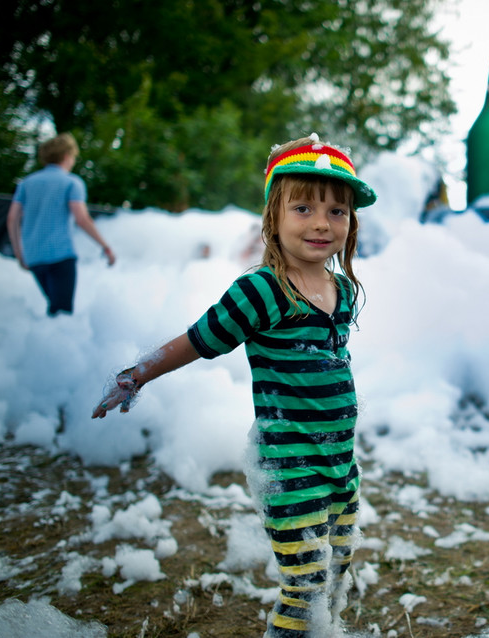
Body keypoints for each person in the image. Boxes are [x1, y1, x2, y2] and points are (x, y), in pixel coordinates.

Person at [91, 133, 377, 637]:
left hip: (339, 463)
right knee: (304, 584)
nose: (320, 223)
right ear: (273, 216)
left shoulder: (343, 289)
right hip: (290, 466)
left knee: (336, 569)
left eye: (337, 211)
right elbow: (198, 340)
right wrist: (136, 375)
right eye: (303, 207)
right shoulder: (263, 290)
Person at [6, 133, 116, 316]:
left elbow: (12, 219)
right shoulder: (71, 183)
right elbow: (81, 219)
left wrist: (19, 254)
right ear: (66, 156)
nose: (73, 160)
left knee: (54, 309)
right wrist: (106, 247)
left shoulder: (26, 183)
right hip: (60, 256)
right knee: (62, 314)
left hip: (33, 257)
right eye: (73, 156)